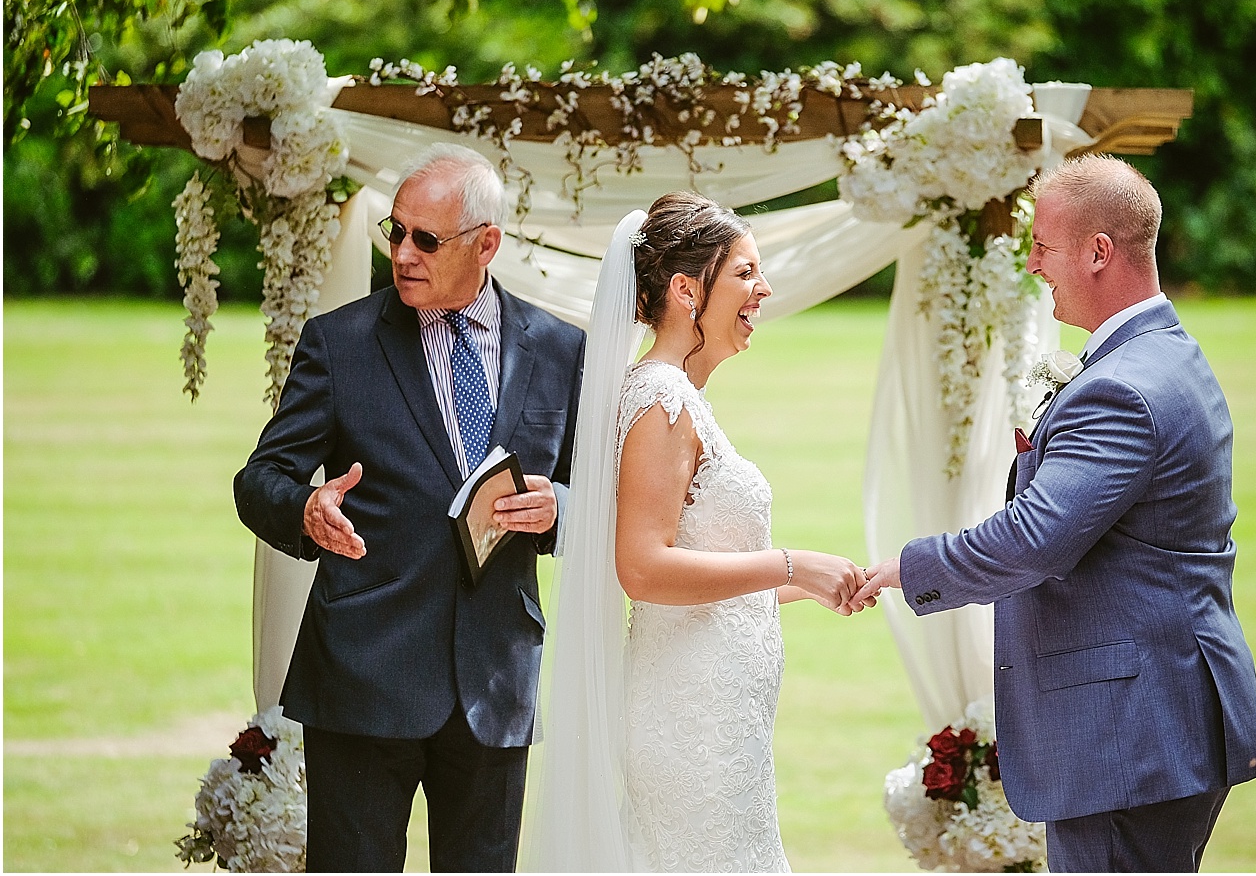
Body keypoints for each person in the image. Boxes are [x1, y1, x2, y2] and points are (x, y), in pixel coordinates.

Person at [853, 154, 1256, 873]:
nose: (1033, 263)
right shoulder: (1166, 356)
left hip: (1127, 734)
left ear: (1098, 252)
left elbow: (1035, 538)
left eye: (1043, 245)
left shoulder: (1123, 390)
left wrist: (907, 568)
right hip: (1159, 715)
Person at [233, 143, 585, 872]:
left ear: (487, 243)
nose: (403, 253)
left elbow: (596, 499)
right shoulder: (340, 343)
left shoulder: (560, 351)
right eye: (397, 231)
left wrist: (562, 510)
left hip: (496, 685)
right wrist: (304, 508)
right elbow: (259, 478)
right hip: (362, 679)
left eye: (427, 238)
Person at [522, 192, 871, 872]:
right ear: (686, 290)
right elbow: (644, 569)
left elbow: (705, 579)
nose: (763, 289)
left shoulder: (682, 398)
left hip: (720, 714)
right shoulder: (661, 398)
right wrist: (791, 565)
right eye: (745, 272)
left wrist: (819, 585)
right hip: (692, 722)